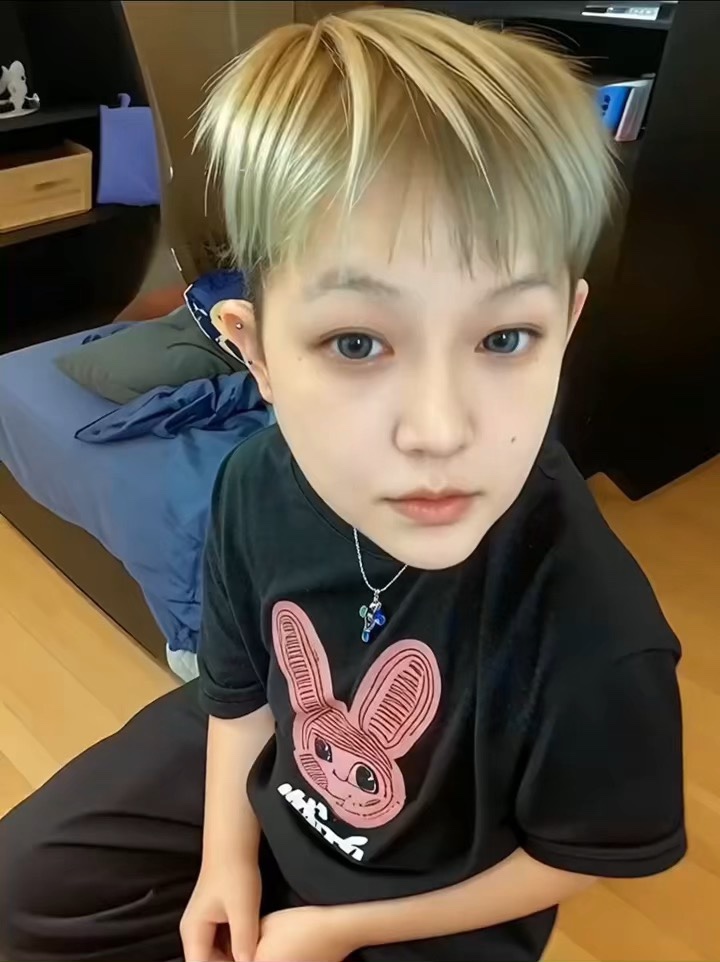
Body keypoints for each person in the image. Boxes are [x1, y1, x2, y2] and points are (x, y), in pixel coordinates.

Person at [0, 7, 685, 962]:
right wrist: (225, 862)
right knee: (23, 886)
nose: (440, 431)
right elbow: (239, 689)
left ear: (564, 331)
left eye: (504, 337)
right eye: (357, 342)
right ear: (256, 353)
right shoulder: (254, 484)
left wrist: (339, 929)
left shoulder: (594, 635)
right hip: (276, 754)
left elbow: (578, 854)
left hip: (432, 888)